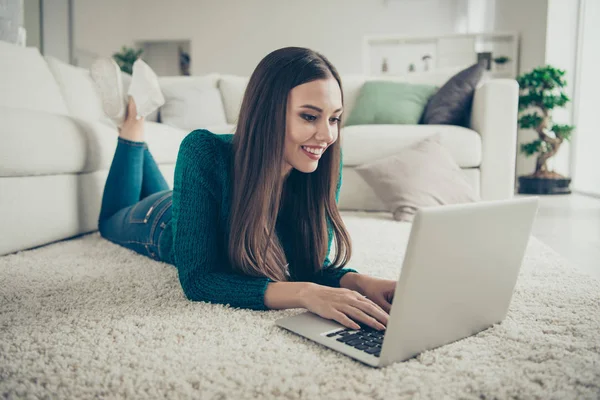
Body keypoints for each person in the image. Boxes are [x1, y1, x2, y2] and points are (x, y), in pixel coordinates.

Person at [92, 47, 396, 332]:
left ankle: (131, 118)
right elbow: (199, 280)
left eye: (335, 119)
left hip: (192, 199)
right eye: (309, 116)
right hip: (162, 221)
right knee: (109, 222)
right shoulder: (203, 150)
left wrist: (360, 282)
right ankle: (133, 120)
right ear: (267, 112)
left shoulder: (322, 162)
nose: (327, 135)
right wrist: (305, 293)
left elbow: (309, 264)